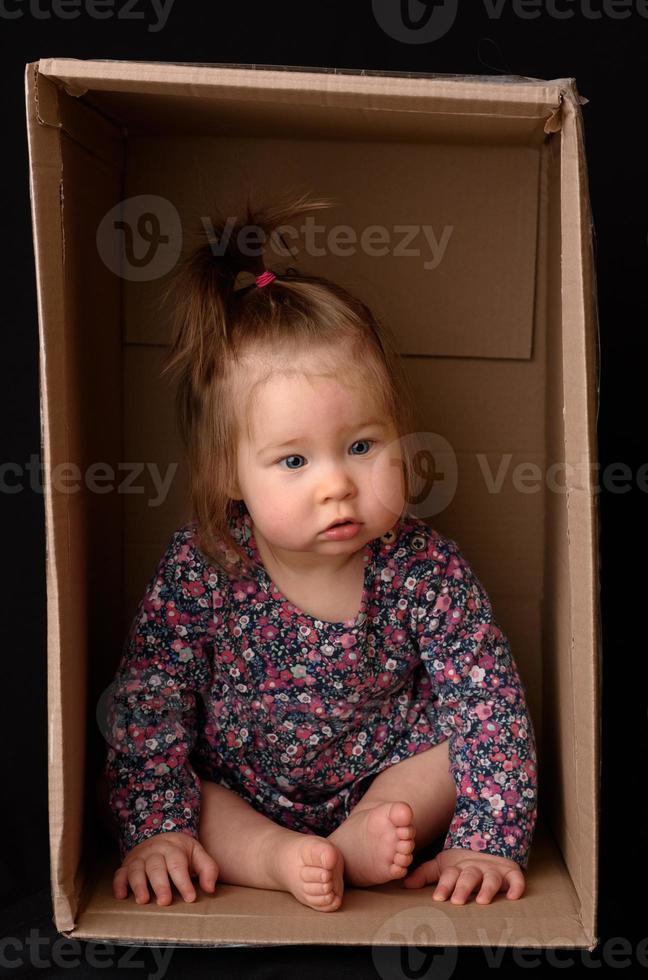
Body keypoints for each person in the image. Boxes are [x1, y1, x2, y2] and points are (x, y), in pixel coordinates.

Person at [103, 190, 538, 914]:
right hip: (241, 784)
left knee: (446, 756)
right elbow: (153, 699)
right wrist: (156, 830)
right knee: (183, 791)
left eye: (363, 446)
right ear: (225, 476)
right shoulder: (204, 566)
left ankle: (363, 837)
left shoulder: (423, 569)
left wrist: (487, 837)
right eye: (293, 462)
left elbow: (487, 701)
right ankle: (277, 860)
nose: (337, 484)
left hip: (382, 772)